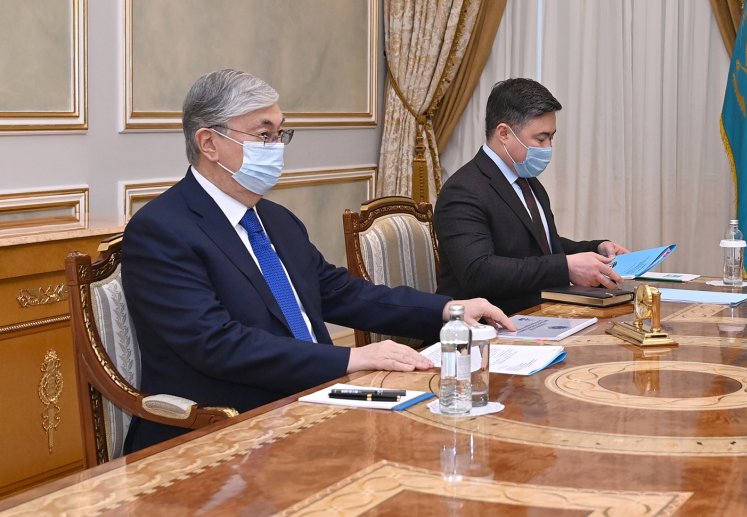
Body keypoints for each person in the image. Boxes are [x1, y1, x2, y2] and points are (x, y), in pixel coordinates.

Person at [122, 69, 513, 453]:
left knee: (456, 439)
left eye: (280, 134)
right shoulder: (161, 230)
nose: (277, 147)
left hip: (314, 402)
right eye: (264, 135)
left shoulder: (276, 219)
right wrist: (350, 358)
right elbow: (217, 344)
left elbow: (340, 292)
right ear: (209, 143)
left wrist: (448, 310)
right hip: (223, 431)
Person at [434, 78, 630, 314]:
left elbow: (543, 247)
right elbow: (478, 271)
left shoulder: (527, 181)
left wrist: (596, 250)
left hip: (542, 313)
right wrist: (565, 267)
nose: (548, 148)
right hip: (489, 323)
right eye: (540, 138)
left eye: (551, 137)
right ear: (504, 133)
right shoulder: (463, 190)